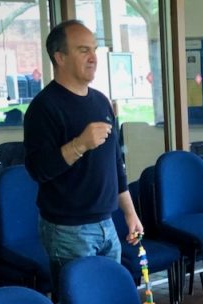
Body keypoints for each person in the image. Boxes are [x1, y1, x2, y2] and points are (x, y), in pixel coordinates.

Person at [24, 20, 144, 286]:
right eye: (83, 50)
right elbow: (38, 170)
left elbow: (116, 165)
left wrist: (130, 213)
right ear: (60, 57)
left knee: (108, 299)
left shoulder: (101, 101)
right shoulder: (44, 108)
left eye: (94, 50)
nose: (93, 58)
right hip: (67, 230)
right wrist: (79, 144)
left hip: (107, 222)